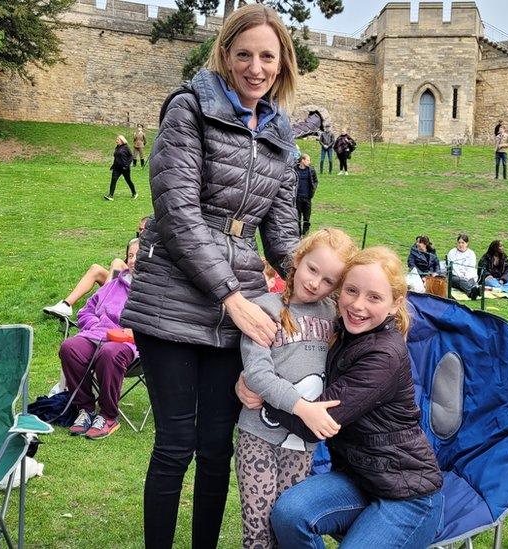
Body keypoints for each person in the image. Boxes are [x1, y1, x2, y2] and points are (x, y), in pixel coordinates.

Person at [119, 4, 302, 548]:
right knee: (175, 442)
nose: (255, 67)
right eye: (243, 54)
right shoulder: (188, 109)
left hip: (238, 300)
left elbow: (283, 234)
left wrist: (323, 285)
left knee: (218, 444)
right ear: (224, 55)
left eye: (267, 56)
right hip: (173, 295)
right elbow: (177, 211)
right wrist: (230, 296)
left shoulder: (281, 134)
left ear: (282, 63)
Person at [245, 247, 443, 548]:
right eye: (351, 291)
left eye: (374, 297)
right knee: (289, 513)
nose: (358, 305)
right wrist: (248, 374)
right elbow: (291, 355)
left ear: (395, 304)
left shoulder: (383, 355)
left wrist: (263, 393)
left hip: (408, 495)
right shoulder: (343, 331)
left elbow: (316, 423)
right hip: (360, 479)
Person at [236, 228, 356, 549]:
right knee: (258, 532)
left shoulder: (334, 317)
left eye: (329, 281)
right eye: (312, 269)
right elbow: (258, 374)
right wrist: (304, 408)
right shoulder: (265, 308)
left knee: (285, 527)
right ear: (297, 260)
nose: (316, 283)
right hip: (258, 438)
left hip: (302, 446)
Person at [61, 238, 140, 440]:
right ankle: (85, 409)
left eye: (138, 255)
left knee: (109, 352)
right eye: (130, 255)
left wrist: (134, 333)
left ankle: (108, 415)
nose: (133, 260)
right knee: (70, 347)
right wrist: (95, 325)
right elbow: (86, 311)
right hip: (96, 334)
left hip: (131, 344)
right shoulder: (114, 284)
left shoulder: (157, 288)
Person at [446, 233, 480, 299]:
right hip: (455, 276)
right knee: (461, 281)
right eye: (459, 242)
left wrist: (466, 277)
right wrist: (461, 277)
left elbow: (471, 267)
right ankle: (471, 292)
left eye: (463, 243)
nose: (460, 245)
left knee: (471, 280)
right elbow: (454, 268)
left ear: (467, 244)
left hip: (468, 276)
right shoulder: (452, 252)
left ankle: (474, 291)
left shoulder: (471, 253)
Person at [106, 135, 136, 201]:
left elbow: (131, 157)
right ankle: (110, 195)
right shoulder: (117, 147)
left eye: (118, 140)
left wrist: (127, 165)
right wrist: (113, 165)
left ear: (122, 140)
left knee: (128, 180)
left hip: (124, 168)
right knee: (113, 180)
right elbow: (116, 158)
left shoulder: (126, 147)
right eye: (116, 140)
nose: (116, 141)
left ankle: (134, 193)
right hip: (116, 168)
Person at [294, 153, 318, 236]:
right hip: (297, 198)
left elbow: (315, 180)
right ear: (302, 160)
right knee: (297, 218)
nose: (309, 162)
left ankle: (305, 235)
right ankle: (298, 235)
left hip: (307, 198)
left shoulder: (311, 170)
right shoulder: (294, 169)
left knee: (307, 218)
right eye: (308, 160)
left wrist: (313, 189)